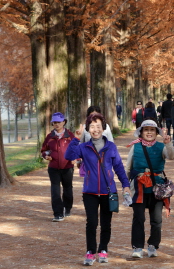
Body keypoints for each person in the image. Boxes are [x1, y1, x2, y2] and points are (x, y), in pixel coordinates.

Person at [65, 113, 131, 266]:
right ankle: (90, 252)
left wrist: (125, 185)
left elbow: (119, 168)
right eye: (92, 127)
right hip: (90, 191)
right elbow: (69, 155)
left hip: (109, 191)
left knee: (106, 223)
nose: (95, 129)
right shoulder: (83, 147)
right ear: (88, 129)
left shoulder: (111, 147)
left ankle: (103, 249)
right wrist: (75, 138)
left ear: (103, 128)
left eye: (98, 126)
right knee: (92, 222)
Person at [126, 119, 174, 259]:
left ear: (156, 132)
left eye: (152, 130)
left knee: (156, 219)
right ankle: (137, 247)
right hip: (139, 187)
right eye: (146, 129)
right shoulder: (135, 147)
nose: (149, 132)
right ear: (141, 132)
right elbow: (128, 168)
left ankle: (153, 245)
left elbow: (171, 156)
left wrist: (169, 144)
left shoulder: (161, 147)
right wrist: (127, 186)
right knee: (138, 218)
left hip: (157, 188)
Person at [41, 112, 75, 222]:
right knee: (55, 191)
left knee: (68, 189)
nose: (56, 124)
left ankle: (67, 208)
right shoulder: (49, 137)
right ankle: (58, 214)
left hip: (67, 167)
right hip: (53, 168)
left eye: (58, 122)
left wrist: (76, 158)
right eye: (54, 122)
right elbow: (44, 150)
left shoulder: (70, 136)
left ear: (64, 122)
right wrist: (46, 156)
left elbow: (76, 149)